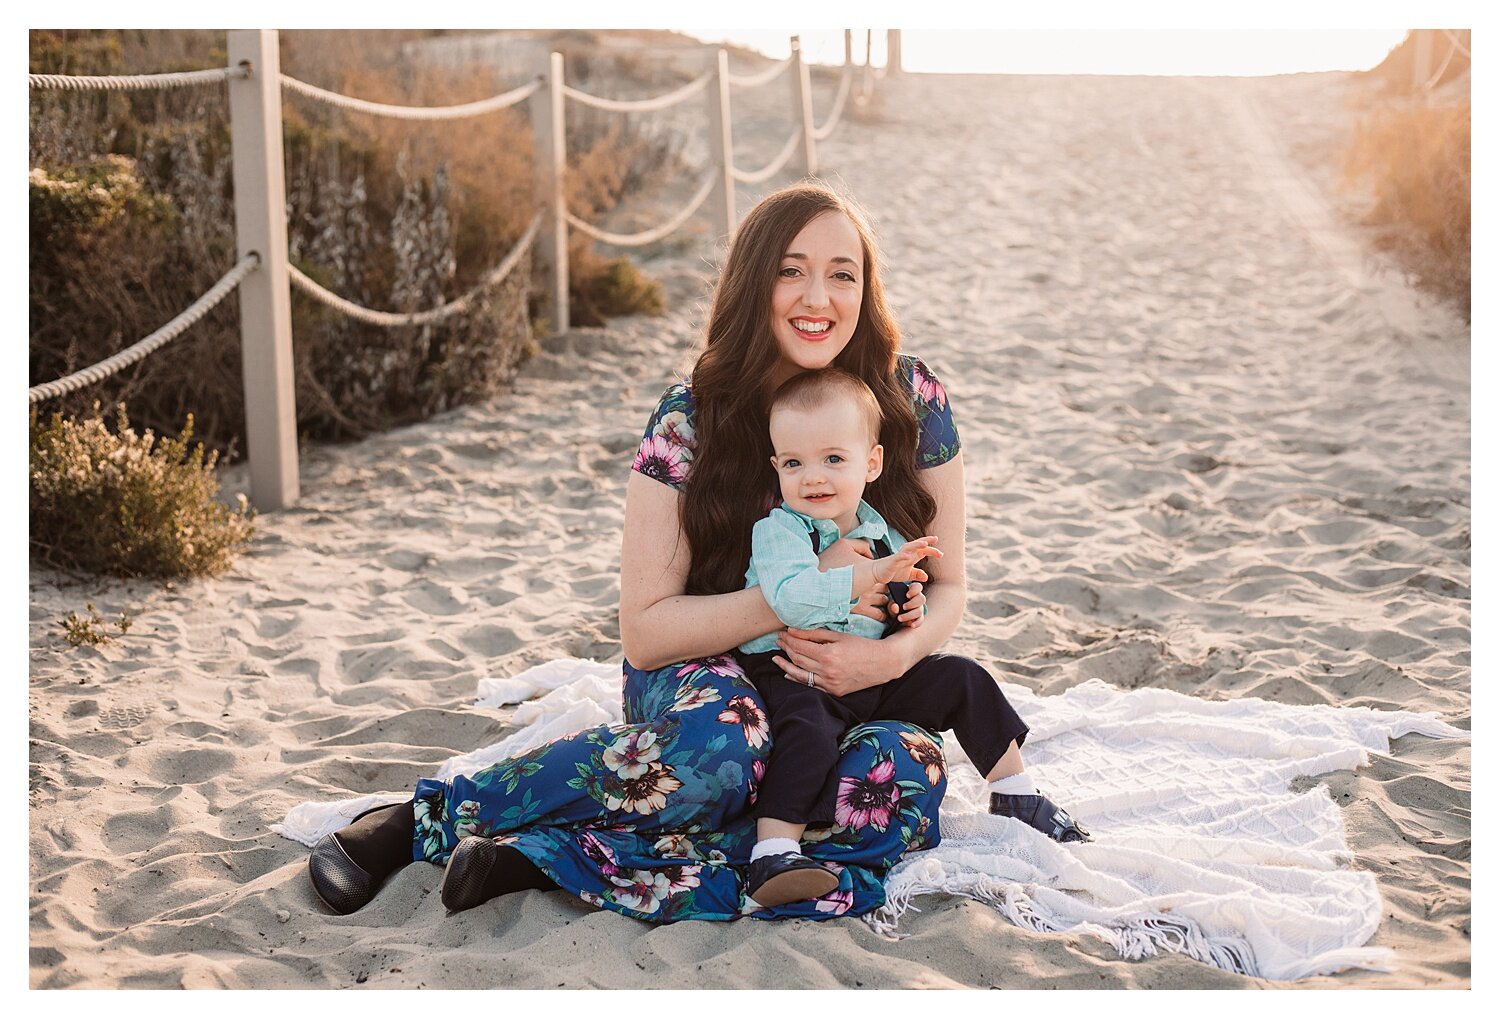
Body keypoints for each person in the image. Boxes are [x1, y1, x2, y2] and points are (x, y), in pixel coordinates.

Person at [306, 180, 1048, 923]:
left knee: (897, 787)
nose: (816, 296)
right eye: (790, 270)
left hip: (865, 673)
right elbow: (648, 629)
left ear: (866, 288)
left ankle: (548, 859)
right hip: (712, 666)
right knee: (728, 752)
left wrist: (886, 659)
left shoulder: (912, 398)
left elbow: (948, 585)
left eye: (841, 273)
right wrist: (807, 590)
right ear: (754, 282)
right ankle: (422, 821)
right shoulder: (690, 415)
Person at [736, 368, 1089, 907]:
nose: (813, 477)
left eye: (834, 459)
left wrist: (906, 604)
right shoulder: (780, 531)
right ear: (775, 467)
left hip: (870, 674)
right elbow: (787, 597)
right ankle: (775, 853)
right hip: (794, 670)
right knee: (806, 730)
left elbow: (902, 608)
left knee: (961, 676)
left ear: (870, 463)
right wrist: (861, 576)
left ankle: (1016, 793)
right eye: (794, 462)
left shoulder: (885, 536)